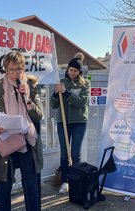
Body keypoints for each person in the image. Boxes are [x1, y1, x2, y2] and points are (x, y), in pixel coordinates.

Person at [0, 51, 43, 210]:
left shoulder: (30, 87)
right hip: (6, 141)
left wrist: (28, 101)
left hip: (27, 140)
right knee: (5, 185)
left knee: (31, 184)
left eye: (19, 69)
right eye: (12, 69)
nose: (16, 73)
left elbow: (38, 116)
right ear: (5, 70)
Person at [50, 52, 90, 194]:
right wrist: (56, 94)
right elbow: (53, 105)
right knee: (64, 154)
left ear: (79, 72)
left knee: (75, 153)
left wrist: (66, 92)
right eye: (70, 70)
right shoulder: (61, 82)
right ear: (67, 69)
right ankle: (65, 181)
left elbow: (81, 102)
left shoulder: (85, 83)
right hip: (63, 122)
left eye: (75, 70)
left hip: (79, 123)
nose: (72, 72)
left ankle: (76, 180)